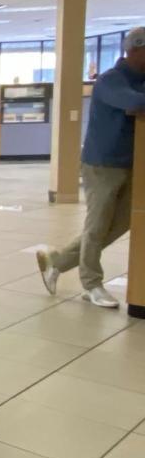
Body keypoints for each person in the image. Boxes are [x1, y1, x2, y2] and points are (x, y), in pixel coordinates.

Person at [37, 27, 145, 308]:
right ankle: (92, 284)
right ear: (134, 50)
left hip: (133, 163)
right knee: (97, 225)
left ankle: (58, 261)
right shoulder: (111, 81)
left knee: (119, 224)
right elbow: (135, 102)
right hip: (102, 165)